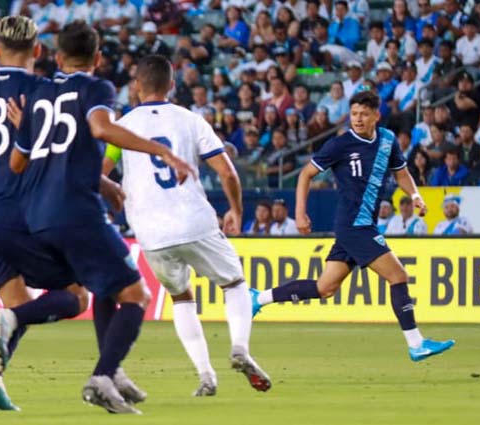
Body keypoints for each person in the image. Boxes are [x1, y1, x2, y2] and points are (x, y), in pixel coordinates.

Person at [9, 21, 192, 414]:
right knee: (136, 295)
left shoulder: (37, 93)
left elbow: (18, 161)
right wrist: (161, 152)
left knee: (103, 289)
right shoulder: (96, 88)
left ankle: (113, 370)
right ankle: (102, 375)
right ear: (98, 58)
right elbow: (100, 128)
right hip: (77, 211)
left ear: (57, 57)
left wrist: (25, 128)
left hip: (38, 215)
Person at [0, 16, 115, 411]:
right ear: (38, 51)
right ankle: (4, 345)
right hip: (27, 215)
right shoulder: (44, 91)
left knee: (18, 308)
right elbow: (65, 155)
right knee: (75, 297)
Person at [104, 54, 271, 397]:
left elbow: (101, 173)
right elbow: (227, 172)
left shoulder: (122, 127)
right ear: (173, 85)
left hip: (151, 231)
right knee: (234, 283)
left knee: (181, 297)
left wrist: (111, 202)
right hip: (194, 220)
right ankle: (240, 347)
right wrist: (236, 211)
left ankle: (206, 375)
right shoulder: (191, 120)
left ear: (136, 87)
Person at [251, 91, 455, 362]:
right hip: (354, 226)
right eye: (354, 114)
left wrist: (415, 195)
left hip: (363, 224)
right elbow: (306, 174)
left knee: (325, 287)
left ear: (376, 116)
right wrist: (300, 212)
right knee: (398, 276)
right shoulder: (340, 145)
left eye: (363, 114)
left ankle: (258, 298)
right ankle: (416, 343)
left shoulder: (387, 141)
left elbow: (401, 171)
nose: (357, 119)